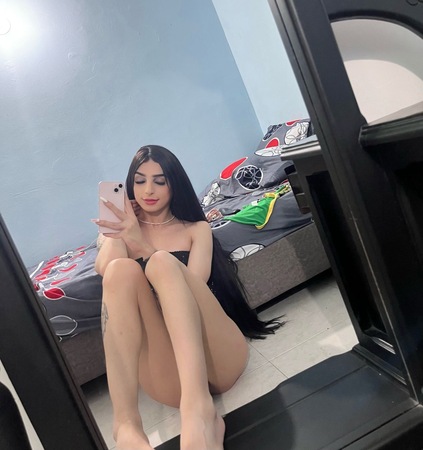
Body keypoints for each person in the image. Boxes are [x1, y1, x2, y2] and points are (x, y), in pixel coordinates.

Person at [94, 145, 282, 450]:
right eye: (139, 181)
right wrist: (120, 234)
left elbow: (194, 287)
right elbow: (106, 271)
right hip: (168, 376)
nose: (148, 190)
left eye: (160, 181)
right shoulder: (122, 233)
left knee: (161, 263)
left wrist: (143, 247)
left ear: (175, 184)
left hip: (216, 356)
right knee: (118, 270)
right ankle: (125, 425)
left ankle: (199, 412)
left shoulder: (197, 229)